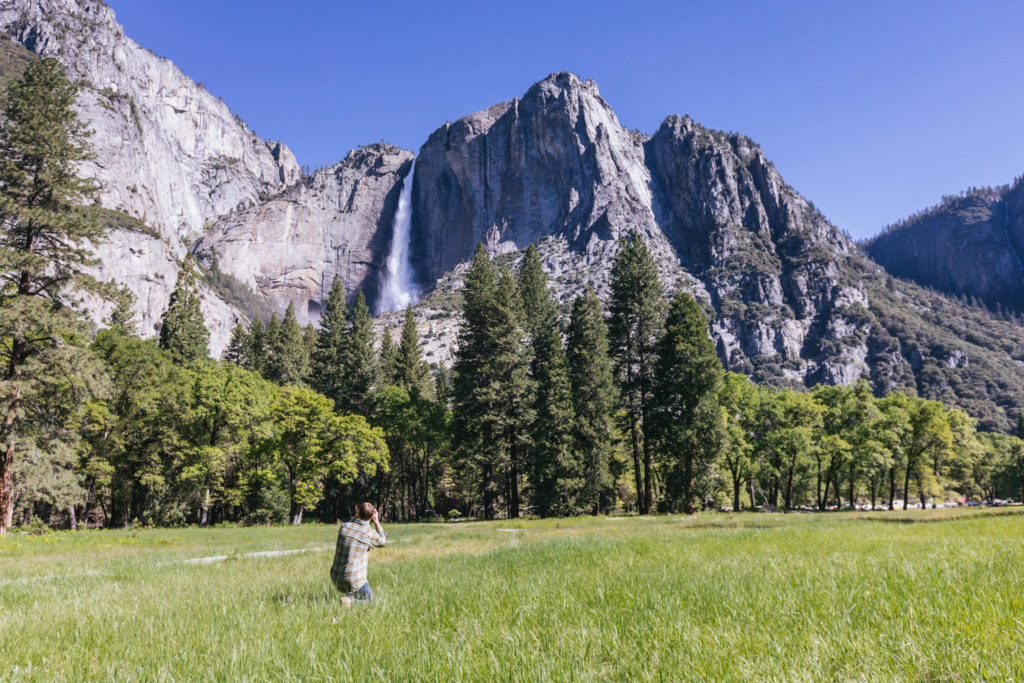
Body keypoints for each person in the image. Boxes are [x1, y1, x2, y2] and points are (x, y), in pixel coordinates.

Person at [330, 502, 387, 603]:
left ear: (358, 512)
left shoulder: (344, 527)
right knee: (372, 602)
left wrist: (357, 514)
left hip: (336, 577)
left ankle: (349, 597)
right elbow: (383, 541)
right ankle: (350, 602)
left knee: (354, 572)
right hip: (352, 580)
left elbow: (353, 523)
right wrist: (376, 521)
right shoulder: (369, 533)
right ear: (372, 516)